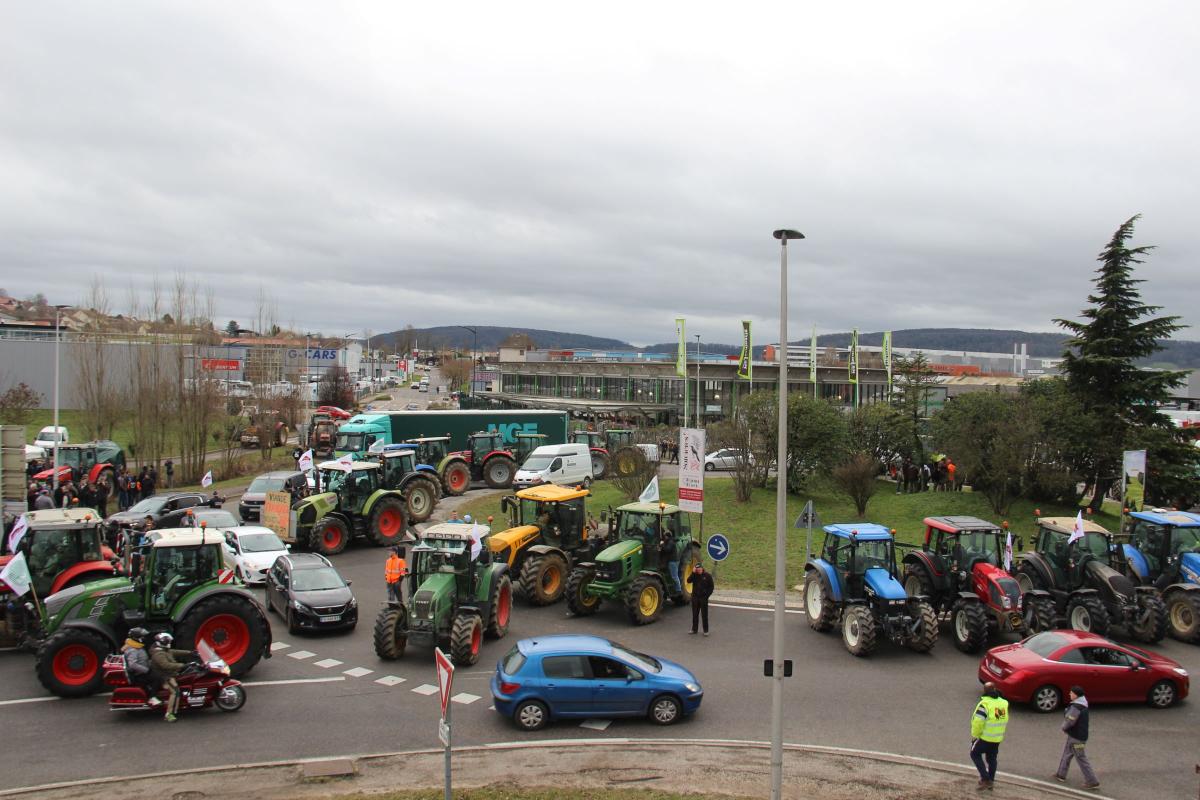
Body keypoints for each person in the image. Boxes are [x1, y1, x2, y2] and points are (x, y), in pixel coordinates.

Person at [1055, 685, 1099, 790]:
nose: (1069, 694)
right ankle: (1061, 774)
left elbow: (1070, 720)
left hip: (1076, 737)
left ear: (1075, 695)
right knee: (1067, 753)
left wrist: (1063, 728)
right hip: (1077, 735)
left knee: (1081, 757)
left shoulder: (1076, 707)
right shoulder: (1083, 705)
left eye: (1071, 693)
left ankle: (1092, 781)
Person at [969, 681, 1009, 791]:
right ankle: (991, 779)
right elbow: (1000, 718)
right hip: (997, 738)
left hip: (985, 737)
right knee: (992, 758)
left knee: (974, 754)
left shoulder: (985, 704)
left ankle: (985, 779)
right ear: (995, 689)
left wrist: (975, 736)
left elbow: (978, 722)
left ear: (984, 691)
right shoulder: (1003, 703)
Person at [148, 632, 192, 722]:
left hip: (169, 673)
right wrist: (182, 665)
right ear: (163, 642)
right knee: (175, 692)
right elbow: (166, 665)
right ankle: (169, 714)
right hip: (165, 676)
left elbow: (174, 651)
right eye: (168, 641)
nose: (169, 643)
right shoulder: (158, 654)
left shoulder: (163, 650)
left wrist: (191, 652)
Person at [121, 627, 162, 707]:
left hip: (143, 670)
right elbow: (132, 664)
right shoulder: (132, 649)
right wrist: (146, 670)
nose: (144, 638)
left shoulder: (136, 646)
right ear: (137, 638)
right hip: (139, 674)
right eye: (142, 637)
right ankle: (152, 698)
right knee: (157, 678)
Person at [688, 562, 714, 635]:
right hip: (695, 598)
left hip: (703, 598)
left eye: (700, 569)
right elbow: (688, 581)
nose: (699, 571)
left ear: (702, 568)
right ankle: (694, 629)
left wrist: (706, 596)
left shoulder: (707, 576)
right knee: (695, 615)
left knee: (704, 615)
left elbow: (711, 587)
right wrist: (693, 573)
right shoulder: (694, 575)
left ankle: (706, 631)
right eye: (697, 569)